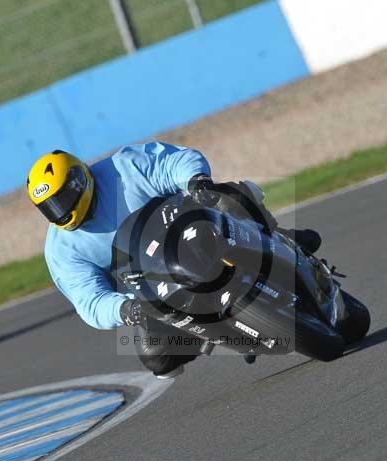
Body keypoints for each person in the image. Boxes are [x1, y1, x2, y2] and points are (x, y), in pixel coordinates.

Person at [26, 142, 321, 378]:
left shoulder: (124, 167)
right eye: (50, 207)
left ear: (79, 181)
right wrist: (126, 309)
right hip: (157, 284)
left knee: (227, 195)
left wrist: (196, 181)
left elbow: (172, 162)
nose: (60, 210)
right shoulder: (61, 251)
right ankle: (221, 333)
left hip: (191, 227)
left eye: (63, 198)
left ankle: (279, 235)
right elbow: (89, 300)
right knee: (158, 358)